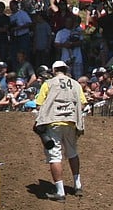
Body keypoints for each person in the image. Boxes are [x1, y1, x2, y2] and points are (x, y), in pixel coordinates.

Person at [34, 60, 87, 202]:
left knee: (55, 156)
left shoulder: (49, 84)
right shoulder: (76, 84)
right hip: (71, 121)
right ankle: (78, 185)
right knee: (72, 152)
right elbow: (82, 103)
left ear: (54, 70)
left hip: (53, 122)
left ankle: (60, 191)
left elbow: (39, 105)